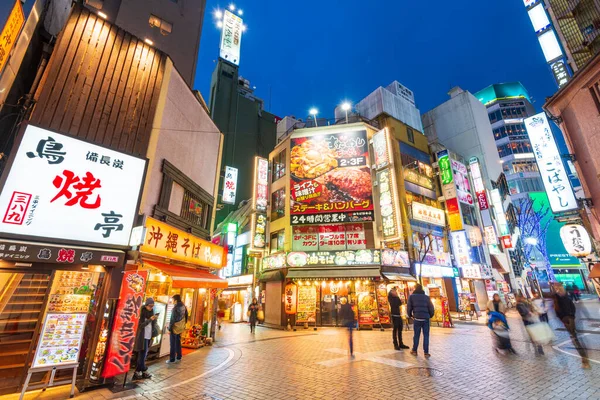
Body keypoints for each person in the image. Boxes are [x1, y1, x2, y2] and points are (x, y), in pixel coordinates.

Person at [554, 284, 590, 369]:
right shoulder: (566, 298)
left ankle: (585, 361)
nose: (555, 290)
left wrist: (564, 318)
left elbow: (561, 310)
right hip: (570, 319)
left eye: (556, 289)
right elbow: (573, 308)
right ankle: (585, 360)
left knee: (575, 340)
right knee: (575, 339)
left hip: (568, 320)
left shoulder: (560, 299)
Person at [133, 298, 159, 380]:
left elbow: (152, 325)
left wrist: (155, 319)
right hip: (142, 336)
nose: (151, 308)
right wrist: (150, 319)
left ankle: (139, 371)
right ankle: (142, 370)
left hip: (149, 336)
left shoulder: (152, 312)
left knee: (143, 354)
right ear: (146, 305)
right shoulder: (142, 313)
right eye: (150, 306)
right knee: (142, 354)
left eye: (152, 306)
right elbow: (141, 326)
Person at [407, 284, 435, 358]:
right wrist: (430, 315)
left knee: (416, 335)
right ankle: (426, 352)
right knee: (426, 336)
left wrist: (410, 315)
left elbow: (409, 307)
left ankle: (414, 350)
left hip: (417, 318)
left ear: (415, 289)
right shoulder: (426, 297)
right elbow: (431, 308)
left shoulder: (411, 297)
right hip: (426, 319)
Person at [167, 294, 188, 364]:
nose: (172, 301)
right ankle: (179, 356)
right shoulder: (183, 306)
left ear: (175, 300)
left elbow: (172, 319)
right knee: (178, 341)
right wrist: (183, 324)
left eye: (173, 300)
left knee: (172, 343)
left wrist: (169, 328)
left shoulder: (175, 308)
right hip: (180, 326)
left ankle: (172, 358)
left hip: (175, 327)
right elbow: (186, 315)